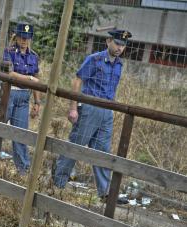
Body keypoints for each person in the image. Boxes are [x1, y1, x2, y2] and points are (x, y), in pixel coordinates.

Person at [53, 29, 132, 201]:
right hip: (89, 107)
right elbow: (77, 80)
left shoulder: (119, 64)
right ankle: (57, 184)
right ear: (108, 41)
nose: (120, 48)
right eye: (117, 43)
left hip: (107, 111)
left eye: (123, 45)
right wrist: (73, 108)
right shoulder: (95, 59)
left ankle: (105, 193)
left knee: (103, 151)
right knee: (76, 146)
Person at [2, 23, 41, 175]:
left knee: (20, 134)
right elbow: (10, 74)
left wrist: (37, 102)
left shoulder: (34, 57)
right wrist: (29, 78)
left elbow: (37, 81)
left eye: (27, 38)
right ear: (16, 37)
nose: (24, 40)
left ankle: (23, 171)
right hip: (9, 94)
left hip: (24, 97)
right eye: (21, 37)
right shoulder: (9, 52)